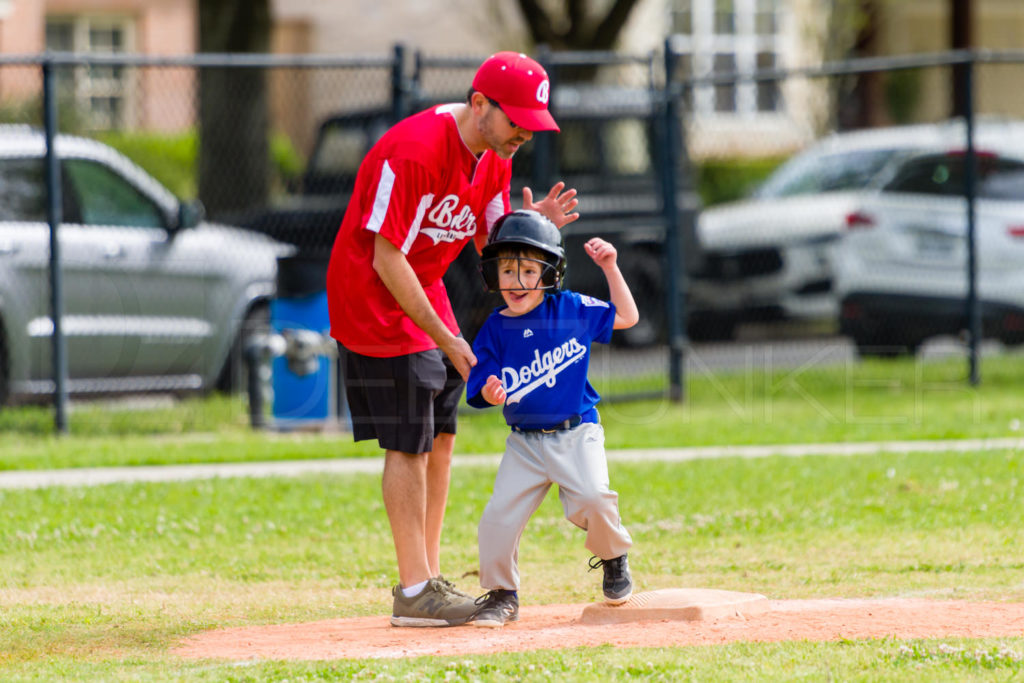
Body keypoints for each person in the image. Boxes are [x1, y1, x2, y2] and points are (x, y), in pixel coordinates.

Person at [326, 52, 579, 628]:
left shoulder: (492, 158)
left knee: (441, 430)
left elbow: (488, 236)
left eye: (531, 124)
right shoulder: (413, 150)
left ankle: (430, 575)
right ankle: (414, 590)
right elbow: (384, 254)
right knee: (410, 436)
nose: (524, 134)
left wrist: (529, 225)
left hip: (425, 286)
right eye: (516, 120)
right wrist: (444, 335)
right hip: (372, 296)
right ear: (480, 104)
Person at [464, 209, 640, 628]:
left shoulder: (572, 309)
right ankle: (503, 594)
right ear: (494, 275)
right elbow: (482, 377)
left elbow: (628, 317)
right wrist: (490, 389)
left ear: (551, 273)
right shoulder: (495, 327)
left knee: (595, 499)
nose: (517, 282)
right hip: (523, 444)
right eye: (508, 270)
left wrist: (611, 268)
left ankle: (613, 557)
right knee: (497, 519)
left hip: (576, 432)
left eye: (529, 270)